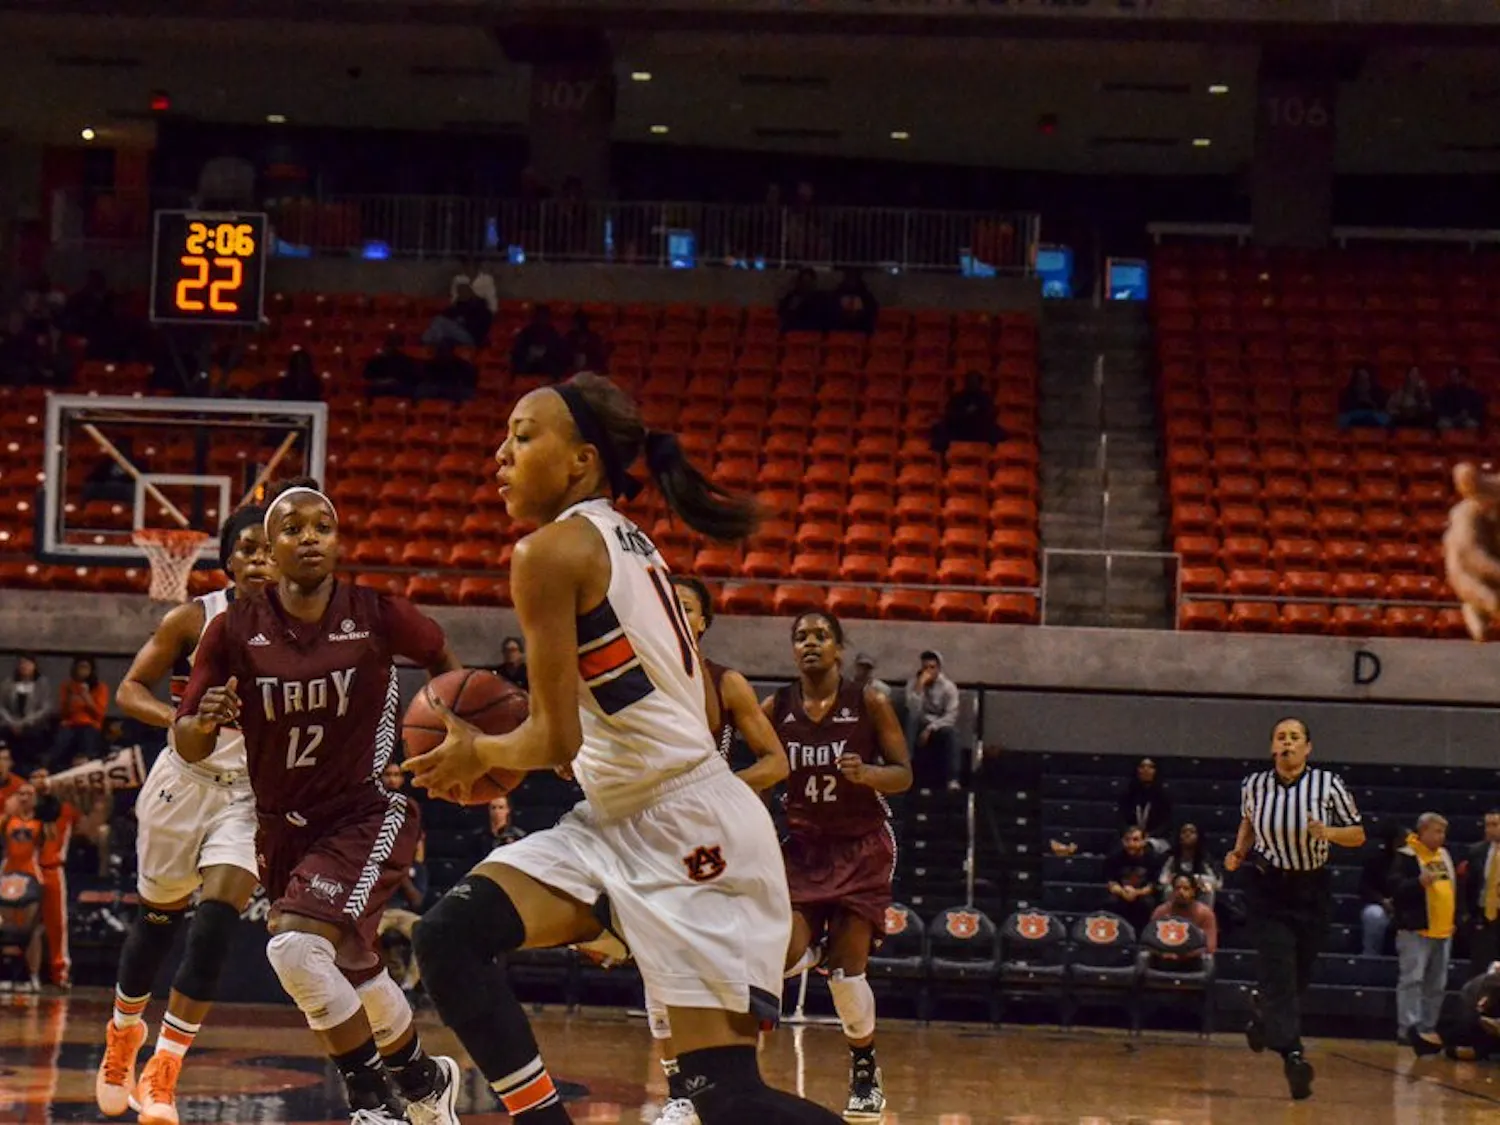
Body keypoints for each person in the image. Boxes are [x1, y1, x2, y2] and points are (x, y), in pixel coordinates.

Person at [404, 371, 848, 1124]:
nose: (500, 455)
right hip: (617, 816)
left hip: (687, 829)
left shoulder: (549, 550)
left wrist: (477, 752)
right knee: (448, 935)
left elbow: (553, 737)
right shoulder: (621, 535)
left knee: (727, 1100)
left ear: (581, 460)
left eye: (521, 435)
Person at [174, 479, 464, 1125]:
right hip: (281, 827)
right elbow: (188, 739)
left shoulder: (378, 613)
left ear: (337, 541)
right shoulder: (231, 629)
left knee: (294, 949)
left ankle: (372, 1100)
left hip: (364, 811)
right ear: (269, 549)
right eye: (293, 528)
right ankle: (421, 1076)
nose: (309, 537)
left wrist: (454, 732)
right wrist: (205, 718)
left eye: (322, 526)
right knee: (352, 964)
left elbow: (445, 661)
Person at [89, 507, 278, 1124]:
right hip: (184, 781)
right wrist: (188, 721)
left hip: (250, 795)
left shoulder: (314, 630)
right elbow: (129, 690)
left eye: (270, 550)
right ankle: (124, 1034)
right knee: (157, 924)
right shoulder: (194, 617)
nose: (260, 560)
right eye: (248, 549)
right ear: (228, 560)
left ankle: (164, 1069)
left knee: (216, 923)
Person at [647, 575, 791, 1124]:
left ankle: (725, 1085)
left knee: (703, 960)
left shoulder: (725, 681)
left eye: (685, 608)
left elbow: (775, 761)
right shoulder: (630, 680)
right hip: (649, 835)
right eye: (665, 606)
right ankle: (680, 1092)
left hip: (713, 840)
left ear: (703, 622)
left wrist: (722, 788)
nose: (674, 616)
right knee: (657, 965)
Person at [772, 610, 911, 1120]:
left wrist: (869, 772)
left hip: (861, 849)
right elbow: (762, 767)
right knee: (780, 954)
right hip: (805, 850)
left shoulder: (869, 701)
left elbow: (904, 775)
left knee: (847, 973)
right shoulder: (777, 707)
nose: (811, 643)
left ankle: (864, 1069)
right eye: (801, 636)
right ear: (793, 650)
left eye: (821, 636)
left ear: (839, 649)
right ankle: (806, 952)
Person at [1226, 717, 1364, 1100]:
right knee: (1281, 972)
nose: (1287, 743)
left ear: (1308, 748)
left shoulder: (1328, 784)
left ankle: (1262, 1014)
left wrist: (1328, 832)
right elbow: (1248, 822)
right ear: (1272, 747)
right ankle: (1294, 1055)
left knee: (1298, 975)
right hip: (1268, 888)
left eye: (1295, 737)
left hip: (1311, 889)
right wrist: (1239, 852)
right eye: (1281, 737)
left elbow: (1357, 833)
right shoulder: (1254, 784)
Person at [1392, 812, 1457, 1054]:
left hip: (1443, 929)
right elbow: (1395, 888)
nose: (1441, 837)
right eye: (1437, 831)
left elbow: (1452, 888)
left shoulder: (1444, 855)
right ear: (1423, 831)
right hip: (1416, 928)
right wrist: (1417, 883)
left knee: (1437, 983)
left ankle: (1428, 1028)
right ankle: (1407, 1029)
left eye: (1443, 832)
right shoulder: (1406, 856)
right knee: (1413, 980)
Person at [903, 650, 961, 791]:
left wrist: (931, 728)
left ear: (939, 669)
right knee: (911, 719)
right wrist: (919, 687)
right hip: (918, 723)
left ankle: (952, 779)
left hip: (938, 726)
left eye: (932, 668)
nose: (928, 671)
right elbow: (912, 709)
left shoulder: (948, 687)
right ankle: (906, 769)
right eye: (925, 667)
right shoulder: (913, 683)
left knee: (952, 733)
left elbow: (951, 716)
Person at [930, 372, 1007, 457]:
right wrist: (964, 414)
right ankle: (941, 460)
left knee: (998, 433)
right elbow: (950, 413)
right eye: (970, 381)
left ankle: (991, 458)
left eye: (974, 381)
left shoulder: (985, 399)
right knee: (939, 429)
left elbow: (990, 415)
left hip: (979, 429)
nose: (972, 384)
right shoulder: (958, 397)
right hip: (960, 428)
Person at [1103, 825, 1163, 933]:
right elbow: (1111, 883)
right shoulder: (1114, 857)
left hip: (1143, 895)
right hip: (1122, 893)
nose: (1131, 844)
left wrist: (1136, 893)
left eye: (1135, 840)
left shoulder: (1153, 858)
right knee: (1109, 902)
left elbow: (1152, 886)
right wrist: (1123, 892)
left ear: (1144, 841)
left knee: (1147, 904)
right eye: (1127, 840)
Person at [53, 656, 108, 769]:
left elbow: (100, 714)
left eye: (86, 668)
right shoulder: (67, 686)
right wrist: (69, 700)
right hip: (71, 724)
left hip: (90, 724)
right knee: (61, 742)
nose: (82, 671)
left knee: (87, 739)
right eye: (80, 667)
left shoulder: (101, 688)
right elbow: (63, 713)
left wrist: (87, 698)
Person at [1463, 810, 1500, 977]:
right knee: (1480, 970)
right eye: (1487, 825)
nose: (1489, 829)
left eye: (1495, 825)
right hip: (1483, 916)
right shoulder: (1476, 851)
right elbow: (1468, 886)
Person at [1, 658, 55, 770]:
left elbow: (45, 708)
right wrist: (12, 722)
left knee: (32, 735)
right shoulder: (8, 683)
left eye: (28, 663)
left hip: (34, 724)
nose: (24, 666)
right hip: (11, 723)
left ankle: (29, 769)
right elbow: (2, 706)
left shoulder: (42, 684)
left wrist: (25, 723)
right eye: (22, 663)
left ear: (34, 666)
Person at [1359, 823, 1403, 957]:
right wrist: (1382, 901)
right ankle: (1371, 955)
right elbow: (1365, 887)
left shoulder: (1416, 862)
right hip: (1382, 905)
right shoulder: (1376, 860)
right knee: (1373, 915)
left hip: (1407, 908)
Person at [1150, 872, 1218, 956]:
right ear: (1172, 890)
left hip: (1194, 963)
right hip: (1164, 961)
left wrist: (1183, 955)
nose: (1181, 892)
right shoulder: (1161, 912)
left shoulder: (1205, 914)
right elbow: (1150, 942)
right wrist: (1163, 953)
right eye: (1177, 888)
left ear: (1193, 891)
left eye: (1186, 888)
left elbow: (1210, 946)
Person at [1157, 822, 1220, 909]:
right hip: (1178, 889)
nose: (1187, 834)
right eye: (1184, 832)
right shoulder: (1172, 857)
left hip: (1197, 890)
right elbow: (1162, 879)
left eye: (1192, 832)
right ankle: (1170, 917)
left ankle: (1204, 916)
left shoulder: (1204, 859)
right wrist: (1174, 880)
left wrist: (1195, 879)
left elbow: (1216, 881)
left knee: (1208, 890)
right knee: (1168, 889)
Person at [1119, 757, 1174, 849]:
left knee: (1149, 848)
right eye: (1142, 766)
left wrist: (1149, 835)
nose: (1146, 770)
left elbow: (1167, 823)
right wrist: (1129, 833)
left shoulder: (1164, 796)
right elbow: (1121, 819)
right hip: (1130, 836)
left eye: (1150, 767)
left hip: (1156, 838)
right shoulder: (1127, 794)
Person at [508, 304, 568, 380]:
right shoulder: (526, 333)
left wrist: (544, 356)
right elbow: (517, 353)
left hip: (547, 371)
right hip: (527, 369)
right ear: (534, 318)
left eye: (544, 317)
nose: (541, 319)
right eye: (539, 316)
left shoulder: (554, 335)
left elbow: (560, 356)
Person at [364, 333, 421, 400]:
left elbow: (414, 379)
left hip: (400, 389)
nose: (392, 347)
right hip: (380, 388)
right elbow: (368, 376)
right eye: (390, 344)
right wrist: (383, 381)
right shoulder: (376, 361)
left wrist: (394, 381)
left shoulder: (407, 361)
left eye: (395, 344)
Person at [472, 793, 526, 858]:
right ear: (489, 809)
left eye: (501, 807)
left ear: (508, 809)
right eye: (493, 808)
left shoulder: (518, 835)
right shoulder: (479, 835)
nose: (497, 811)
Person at [1337, 365, 1389, 429]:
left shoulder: (1379, 394)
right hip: (1353, 419)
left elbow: (1383, 414)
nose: (1363, 383)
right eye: (1360, 380)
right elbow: (1343, 414)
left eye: (1366, 380)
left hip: (1374, 420)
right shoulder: (1347, 394)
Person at [1435, 366, 1486, 430]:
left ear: (1464, 377)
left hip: (1467, 418)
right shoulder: (1443, 392)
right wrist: (1451, 416)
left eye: (1457, 376)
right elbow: (1440, 408)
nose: (1455, 379)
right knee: (1443, 424)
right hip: (1449, 418)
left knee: (1471, 424)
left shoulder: (1473, 393)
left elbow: (1478, 409)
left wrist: (1468, 415)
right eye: (1452, 377)